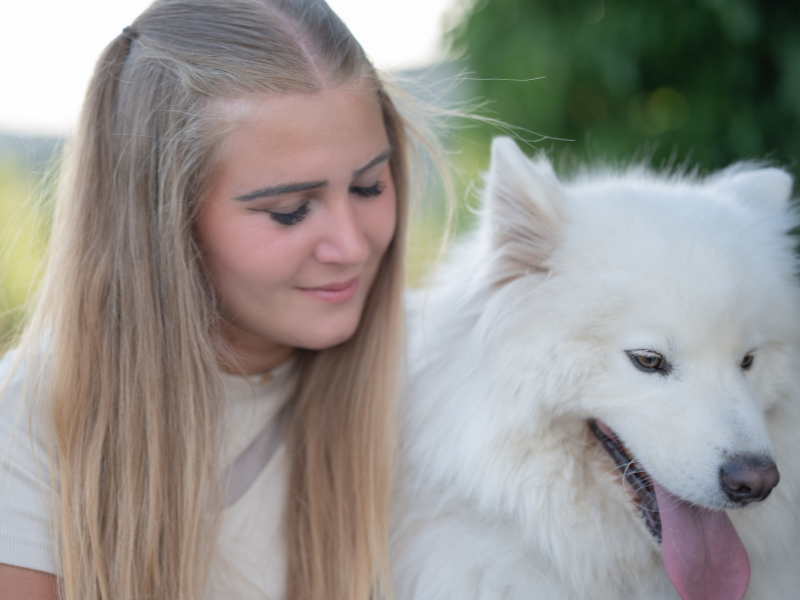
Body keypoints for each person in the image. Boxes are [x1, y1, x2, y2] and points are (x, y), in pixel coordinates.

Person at [0, 0, 425, 598]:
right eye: (289, 211)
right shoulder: (27, 425)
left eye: (369, 186)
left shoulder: (442, 370)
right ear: (160, 223)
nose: (352, 245)